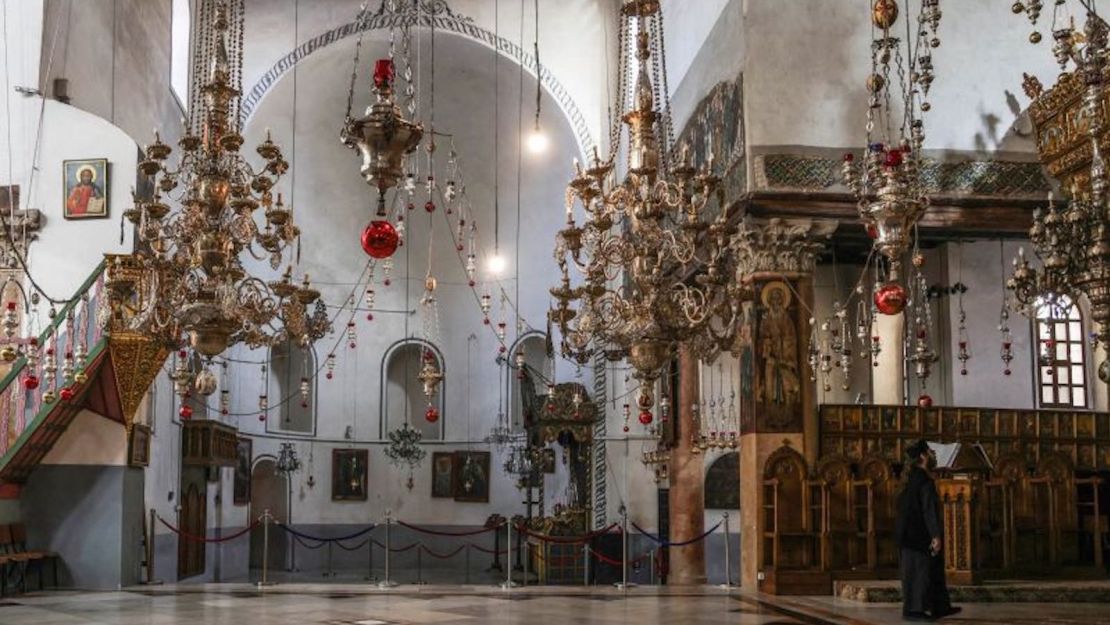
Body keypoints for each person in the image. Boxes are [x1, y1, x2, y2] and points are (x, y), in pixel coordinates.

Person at [896, 439, 961, 621]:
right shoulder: (923, 480)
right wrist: (935, 535)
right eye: (930, 452)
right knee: (918, 572)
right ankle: (913, 610)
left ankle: (940, 606)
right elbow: (928, 510)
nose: (933, 455)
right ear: (923, 456)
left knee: (932, 570)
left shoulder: (912, 477)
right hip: (916, 534)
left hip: (908, 533)